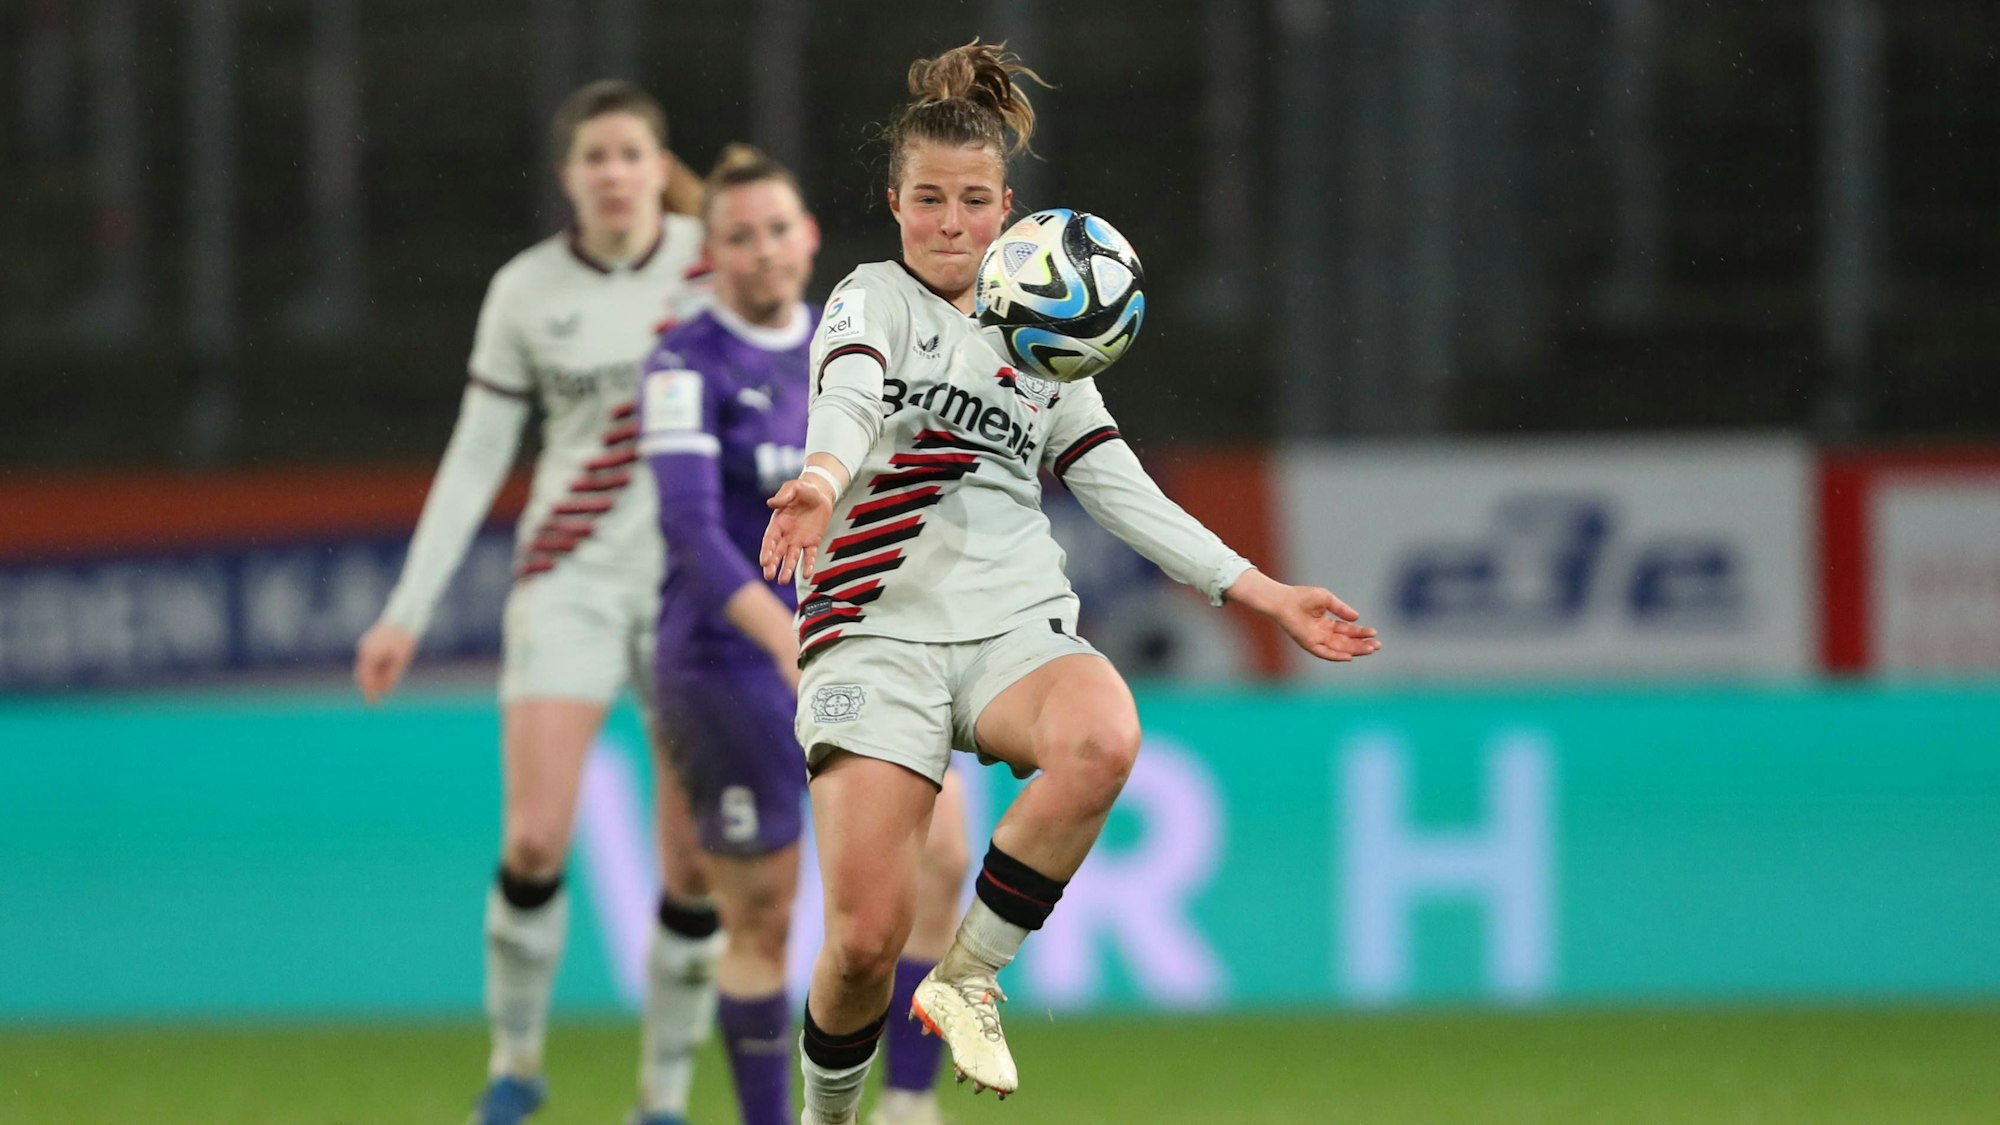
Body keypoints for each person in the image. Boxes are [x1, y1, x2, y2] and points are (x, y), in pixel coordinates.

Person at [758, 41, 1382, 1124]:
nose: (947, 224)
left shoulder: (1050, 342)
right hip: (873, 633)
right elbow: (849, 399)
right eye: (925, 201)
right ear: (893, 203)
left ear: (1005, 209)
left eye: (969, 202)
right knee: (860, 942)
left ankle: (965, 980)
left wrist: (1263, 592)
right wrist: (819, 479)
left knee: (1102, 736)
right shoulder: (869, 302)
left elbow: (1119, 489)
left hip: (1007, 628)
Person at [352, 80, 720, 1125]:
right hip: (567, 580)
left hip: (694, 589)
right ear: (567, 177)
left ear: (657, 167)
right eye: (592, 157)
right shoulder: (525, 289)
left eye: (628, 154)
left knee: (694, 864)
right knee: (532, 842)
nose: (611, 173)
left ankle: (661, 1096)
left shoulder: (720, 263)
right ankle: (514, 1068)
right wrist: (406, 610)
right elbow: (475, 459)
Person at [638, 144, 968, 1125]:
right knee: (764, 918)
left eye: (778, 229)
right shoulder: (681, 361)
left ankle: (908, 1105)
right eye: (738, 236)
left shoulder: (855, 350)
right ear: (712, 251)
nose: (762, 250)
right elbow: (693, 534)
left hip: (856, 652)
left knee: (942, 860)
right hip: (731, 664)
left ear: (810, 236)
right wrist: (791, 644)